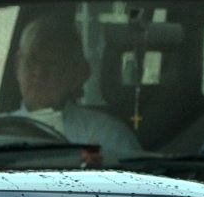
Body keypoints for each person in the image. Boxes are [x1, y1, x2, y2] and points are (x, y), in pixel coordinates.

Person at [11, 17, 143, 159]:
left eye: (53, 64)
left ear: (75, 74)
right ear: (18, 64)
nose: (39, 73)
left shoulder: (107, 137)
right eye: (32, 61)